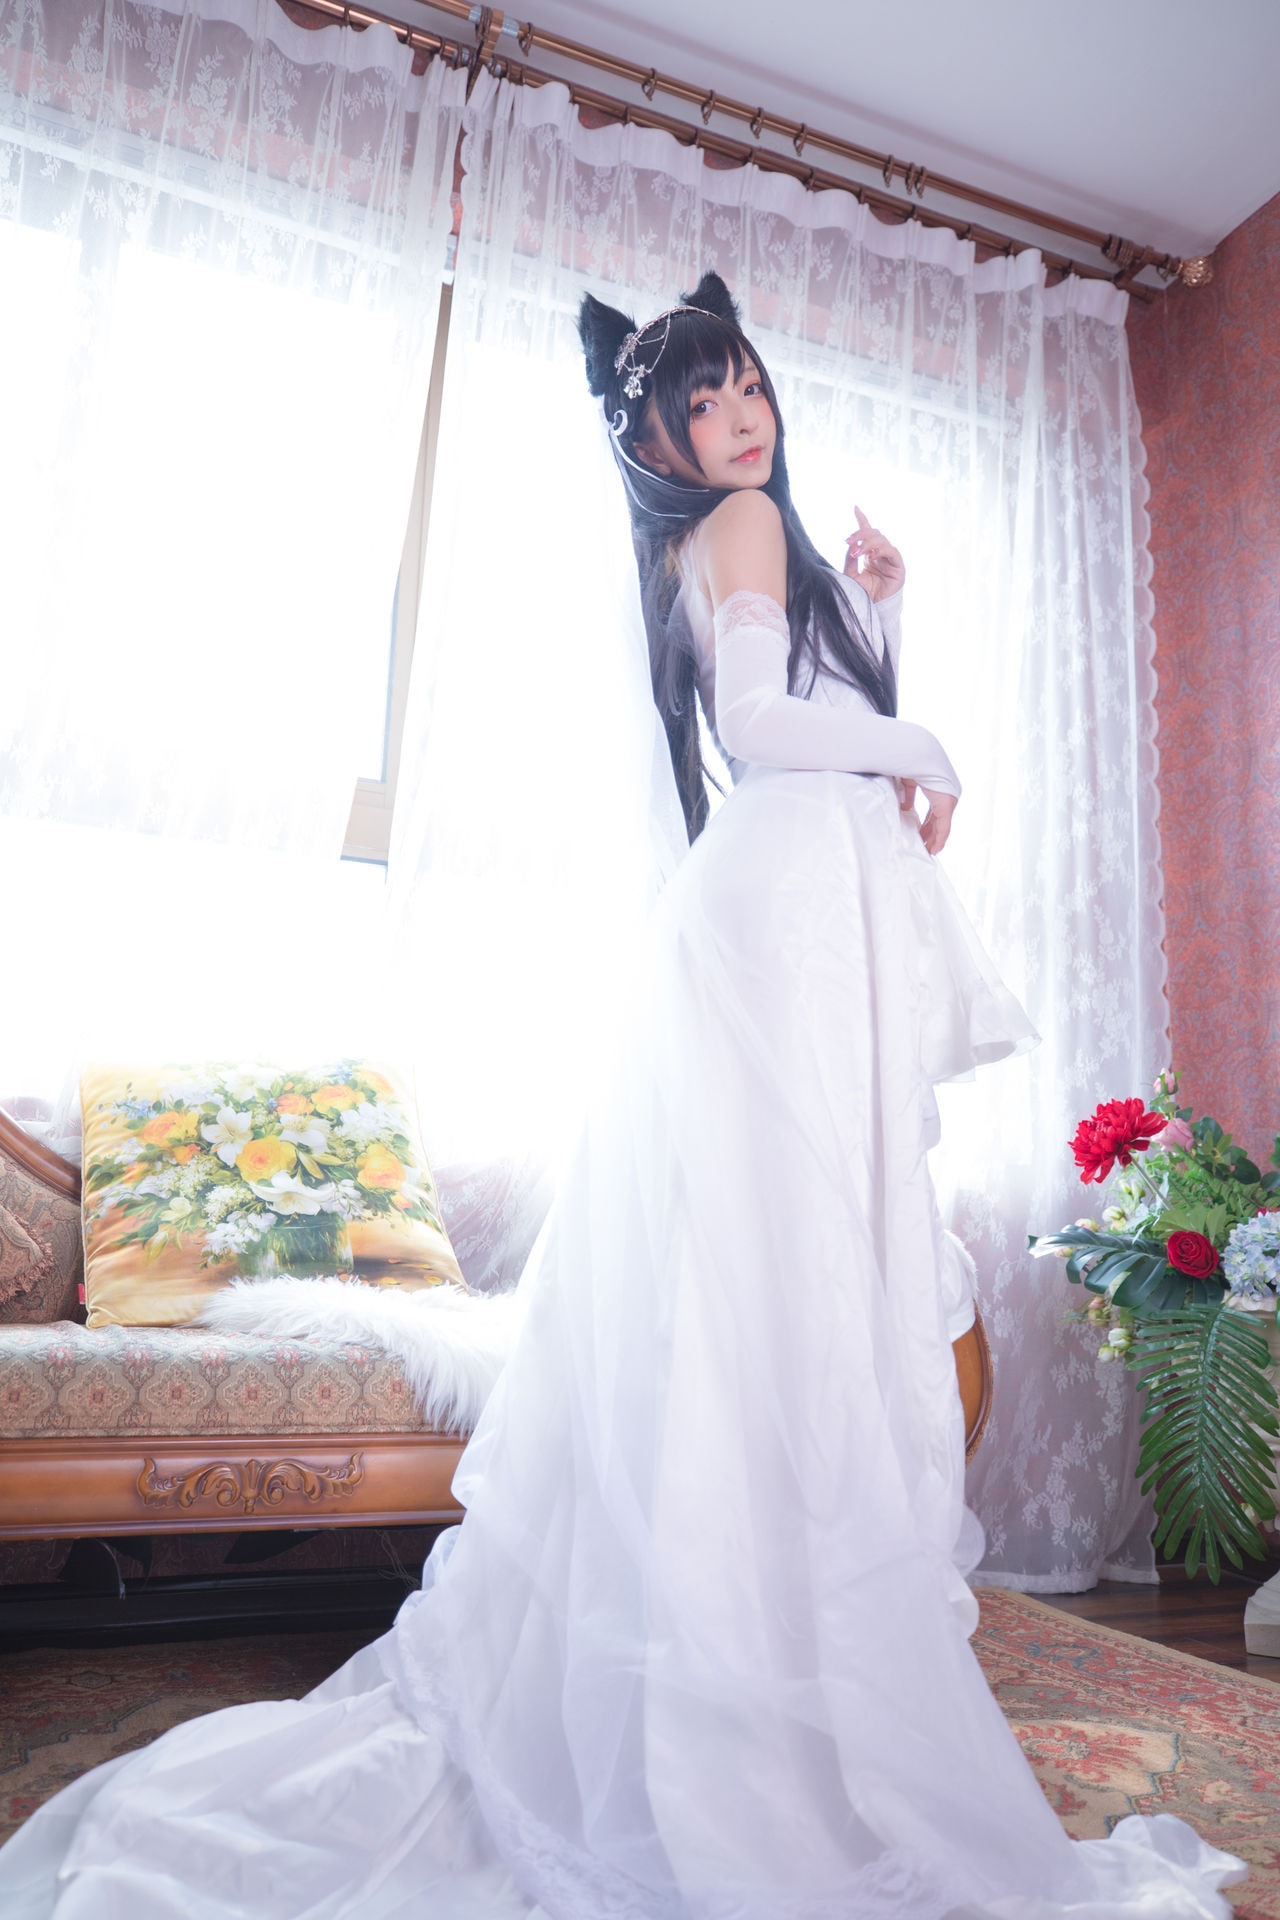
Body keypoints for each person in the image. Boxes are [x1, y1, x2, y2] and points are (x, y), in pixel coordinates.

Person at [0, 275, 1244, 1920]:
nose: (743, 422)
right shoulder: (735, 527)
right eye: (703, 405)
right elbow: (765, 729)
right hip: (783, 919)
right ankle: (759, 1672)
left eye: (750, 390)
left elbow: (824, 718)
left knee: (779, 1278)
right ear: (660, 442)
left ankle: (762, 1645)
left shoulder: (747, 542)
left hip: (798, 909)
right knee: (787, 1272)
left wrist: (888, 615)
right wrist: (926, 742)